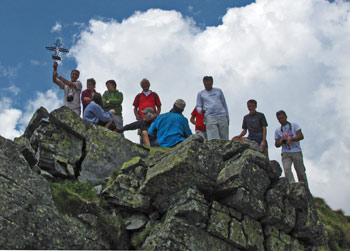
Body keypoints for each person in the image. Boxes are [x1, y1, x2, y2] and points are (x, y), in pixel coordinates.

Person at [274, 110, 308, 187]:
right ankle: (292, 186)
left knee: (300, 171)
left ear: (286, 117)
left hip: (296, 151)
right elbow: (276, 144)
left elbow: (301, 136)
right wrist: (281, 141)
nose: (281, 120)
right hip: (285, 152)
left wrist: (291, 139)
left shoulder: (294, 125)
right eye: (279, 119)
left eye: (282, 118)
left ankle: (304, 188)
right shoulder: (278, 131)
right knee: (287, 170)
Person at [196, 76, 229, 140]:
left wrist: (227, 117)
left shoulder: (218, 91)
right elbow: (198, 106)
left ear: (212, 83)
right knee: (213, 138)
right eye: (205, 84)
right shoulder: (201, 93)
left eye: (209, 84)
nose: (207, 86)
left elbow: (224, 103)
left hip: (222, 115)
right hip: (210, 117)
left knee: (224, 137)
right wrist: (201, 110)